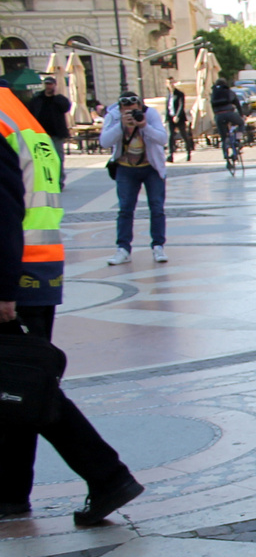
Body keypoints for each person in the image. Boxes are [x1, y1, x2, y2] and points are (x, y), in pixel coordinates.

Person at [1, 81, 144, 526]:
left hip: (16, 272)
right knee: (18, 385)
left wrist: (4, 288)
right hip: (37, 265)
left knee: (27, 385)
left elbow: (3, 211)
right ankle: (11, 494)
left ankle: (106, 475)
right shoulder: (17, 114)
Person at [100, 93, 169, 265]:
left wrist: (144, 125)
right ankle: (123, 248)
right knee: (125, 209)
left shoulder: (150, 114)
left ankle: (158, 246)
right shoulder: (113, 116)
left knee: (157, 207)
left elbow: (163, 138)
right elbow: (104, 142)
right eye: (126, 107)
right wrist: (121, 126)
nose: (131, 110)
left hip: (151, 168)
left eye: (134, 106)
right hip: (126, 168)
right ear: (120, 108)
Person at [28, 75, 74, 170]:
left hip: (56, 134)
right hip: (41, 134)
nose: (48, 86)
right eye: (47, 84)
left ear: (54, 85)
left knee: (58, 158)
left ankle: (59, 181)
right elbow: (31, 112)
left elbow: (66, 108)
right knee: (43, 158)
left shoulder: (59, 98)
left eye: (50, 84)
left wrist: (56, 96)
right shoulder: (38, 98)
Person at [210, 77, 245, 155]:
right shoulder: (229, 92)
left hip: (218, 115)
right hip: (229, 113)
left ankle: (226, 154)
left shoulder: (213, 94)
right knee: (241, 123)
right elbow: (237, 104)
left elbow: (212, 106)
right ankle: (237, 139)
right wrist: (241, 115)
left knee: (223, 137)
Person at [161, 77, 192, 163]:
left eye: (172, 82)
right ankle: (171, 155)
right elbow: (167, 107)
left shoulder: (179, 94)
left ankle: (188, 151)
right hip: (170, 117)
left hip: (179, 118)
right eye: (169, 83)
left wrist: (177, 116)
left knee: (183, 134)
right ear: (166, 84)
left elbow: (181, 106)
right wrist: (166, 118)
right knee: (170, 135)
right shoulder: (168, 95)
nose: (171, 84)